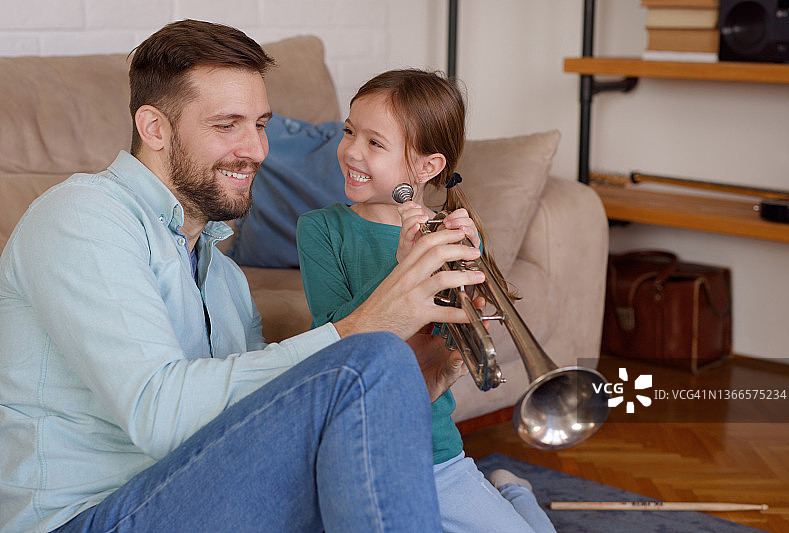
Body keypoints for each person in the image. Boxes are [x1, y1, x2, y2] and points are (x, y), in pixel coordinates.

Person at [0, 21, 489, 533]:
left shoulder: (224, 277)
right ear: (155, 128)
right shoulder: (82, 215)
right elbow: (158, 413)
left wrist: (413, 382)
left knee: (374, 395)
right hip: (88, 517)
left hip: (193, 493)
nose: (256, 150)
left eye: (260, 124)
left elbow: (254, 423)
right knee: (371, 357)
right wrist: (365, 329)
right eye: (226, 124)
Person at [296, 69, 557, 533]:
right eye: (349, 131)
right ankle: (513, 494)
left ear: (426, 167)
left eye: (375, 143)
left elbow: (462, 349)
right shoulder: (321, 230)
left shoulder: (447, 238)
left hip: (435, 451)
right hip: (359, 451)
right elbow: (337, 342)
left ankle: (514, 492)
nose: (351, 151)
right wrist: (403, 271)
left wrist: (473, 279)